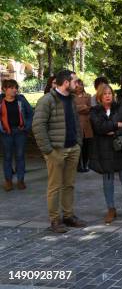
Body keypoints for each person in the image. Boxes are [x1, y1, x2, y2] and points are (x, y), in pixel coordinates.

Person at [32, 69, 86, 233]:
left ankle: (68, 216)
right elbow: (38, 126)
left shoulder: (70, 99)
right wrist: (48, 150)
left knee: (69, 184)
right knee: (55, 186)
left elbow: (76, 123)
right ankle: (55, 220)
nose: (77, 84)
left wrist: (78, 143)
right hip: (56, 150)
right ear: (65, 82)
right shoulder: (47, 100)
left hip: (72, 148)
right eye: (75, 81)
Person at [89, 83, 122, 224]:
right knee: (108, 182)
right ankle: (111, 209)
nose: (108, 96)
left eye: (109, 93)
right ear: (99, 96)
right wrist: (117, 125)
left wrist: (114, 132)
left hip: (121, 150)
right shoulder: (95, 111)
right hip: (104, 152)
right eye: (104, 94)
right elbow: (99, 128)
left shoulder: (121, 108)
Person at [0, 79, 33, 191]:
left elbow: (30, 114)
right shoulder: (0, 101)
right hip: (6, 133)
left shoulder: (21, 100)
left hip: (20, 132)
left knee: (20, 156)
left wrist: (26, 127)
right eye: (12, 88)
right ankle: (8, 181)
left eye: (16, 88)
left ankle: (20, 180)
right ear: (5, 89)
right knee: (7, 157)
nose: (15, 90)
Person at [74, 79, 93, 173]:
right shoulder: (71, 97)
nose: (79, 87)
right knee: (78, 147)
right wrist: (83, 107)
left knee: (86, 147)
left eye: (81, 85)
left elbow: (89, 108)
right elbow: (73, 109)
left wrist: (80, 108)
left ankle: (86, 164)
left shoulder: (88, 96)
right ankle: (78, 165)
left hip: (86, 125)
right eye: (77, 85)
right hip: (76, 124)